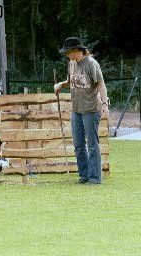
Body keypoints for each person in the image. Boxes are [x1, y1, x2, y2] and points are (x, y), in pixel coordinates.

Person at [54, 37, 109, 184]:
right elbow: (72, 80)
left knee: (92, 144)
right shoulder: (72, 64)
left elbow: (101, 84)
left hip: (91, 109)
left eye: (68, 52)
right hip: (76, 109)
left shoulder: (92, 64)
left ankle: (95, 177)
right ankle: (84, 175)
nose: (67, 55)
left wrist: (105, 103)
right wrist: (61, 84)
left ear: (76, 51)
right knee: (78, 144)